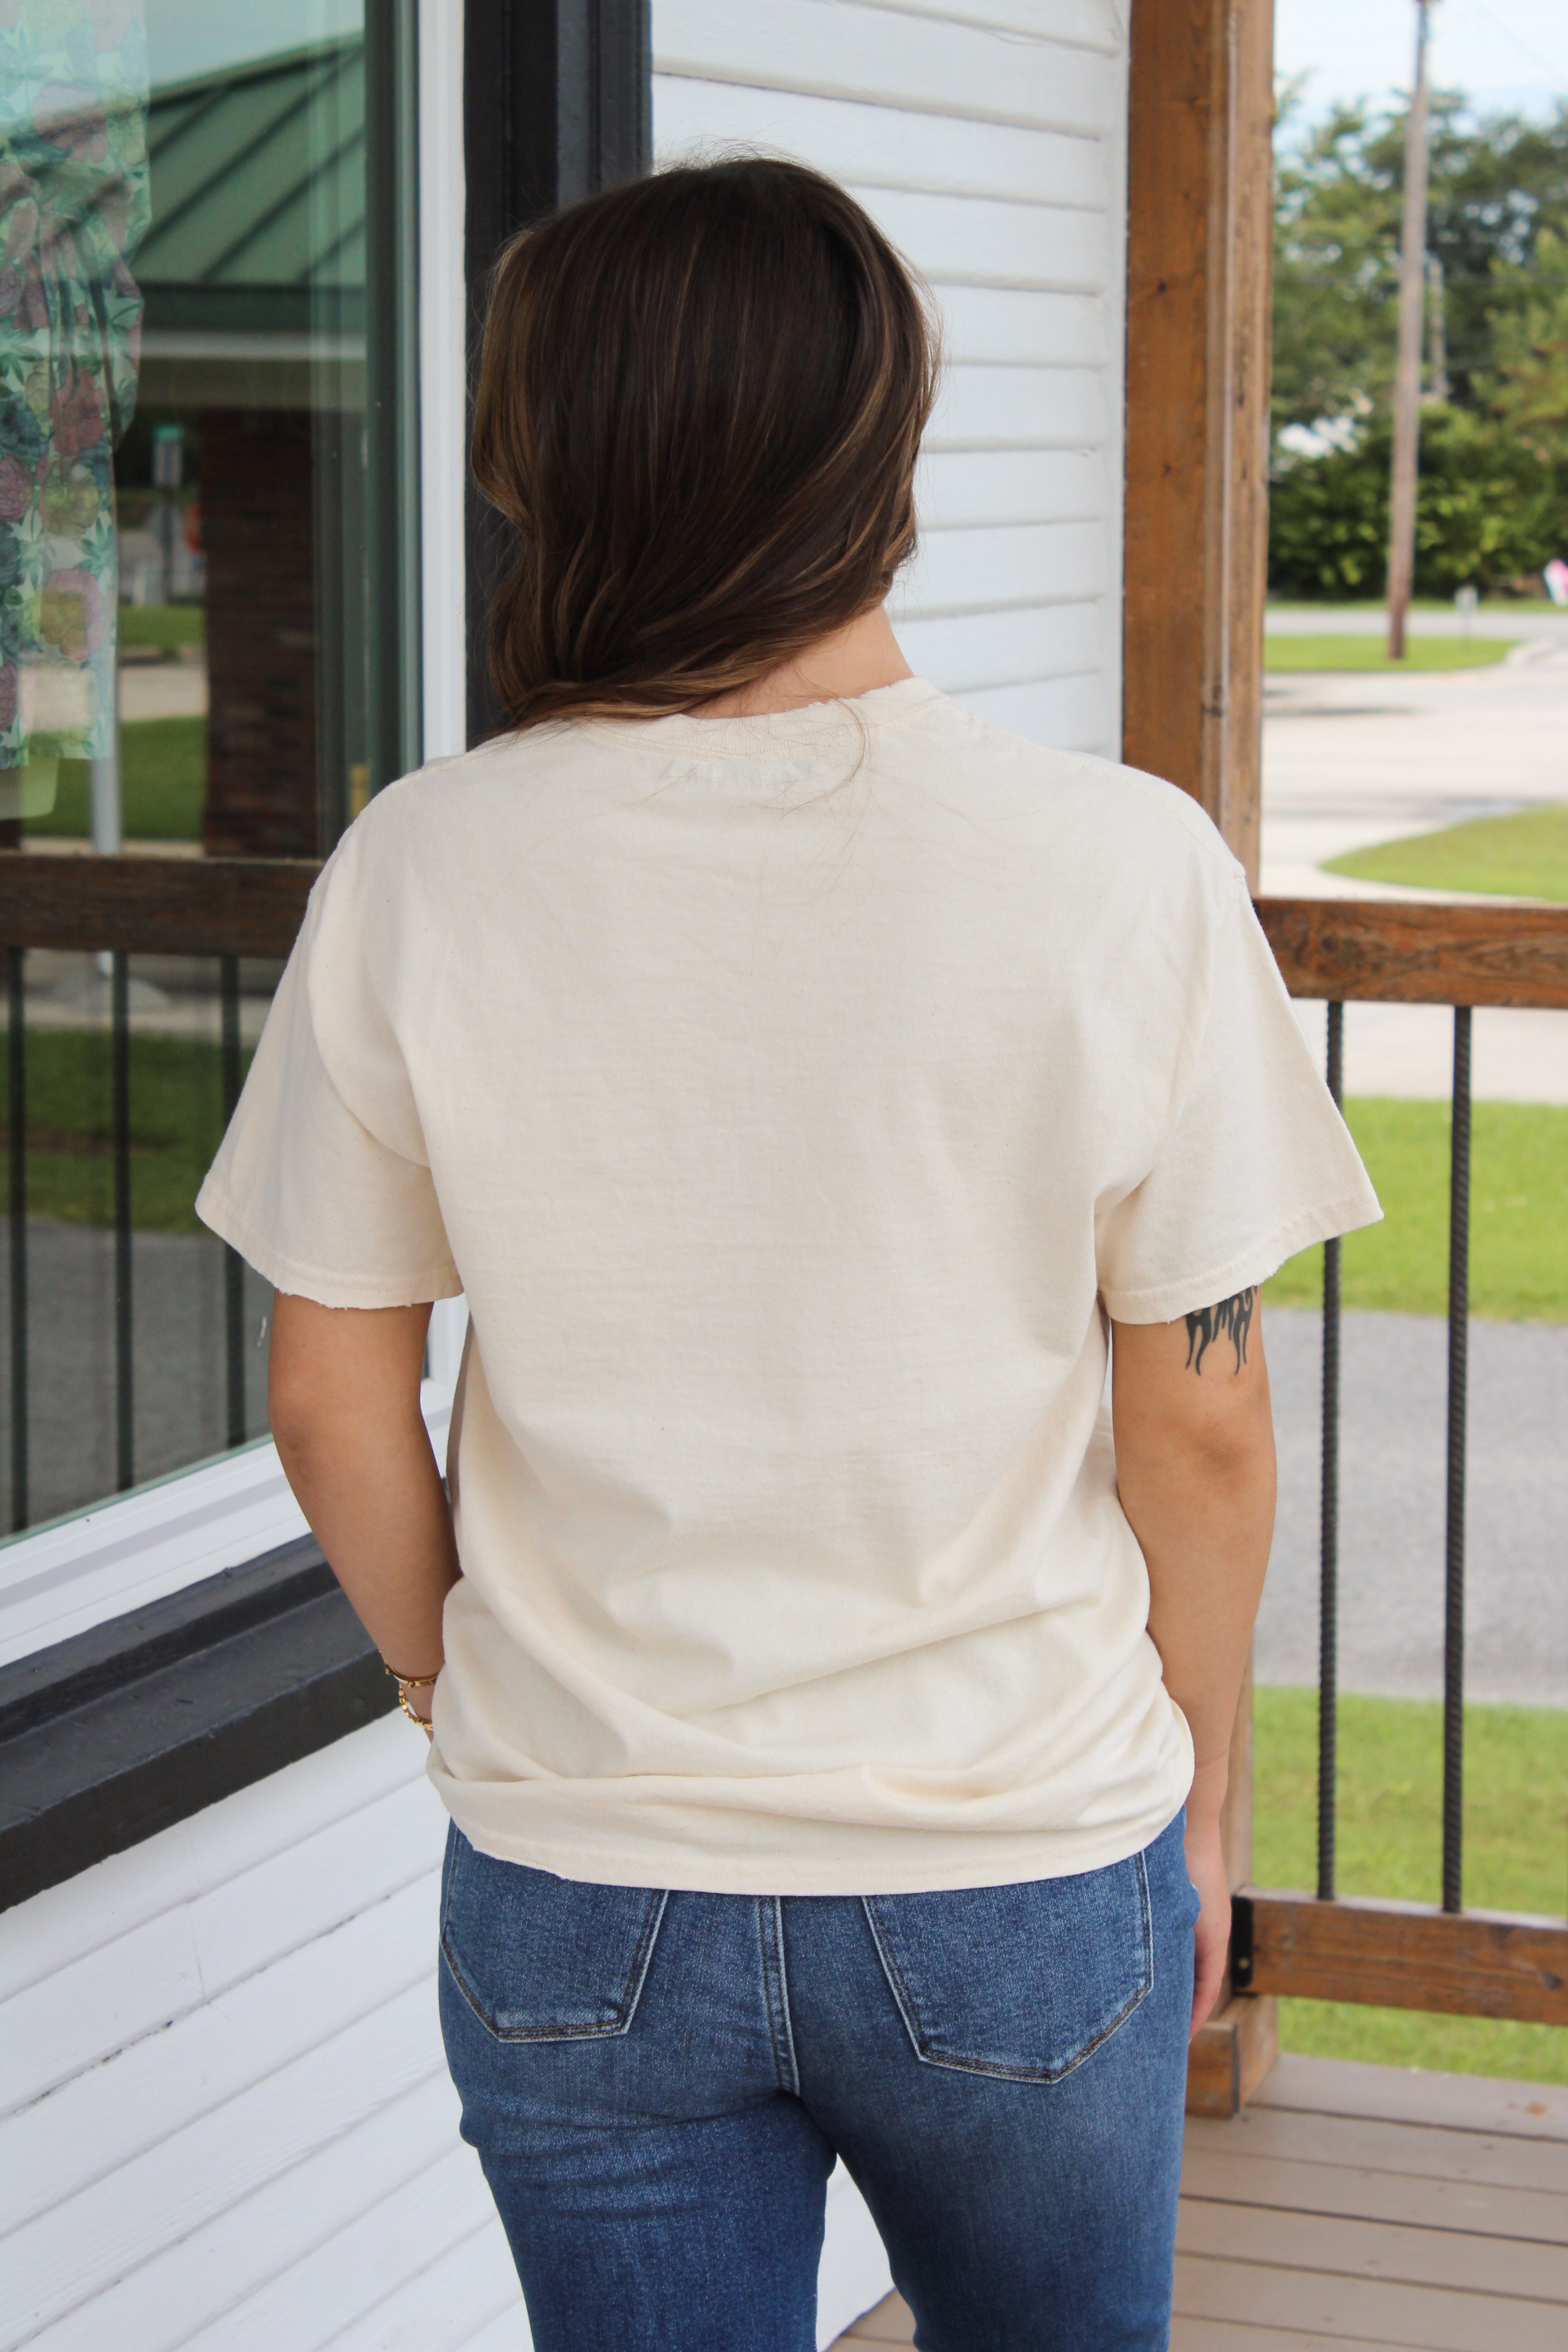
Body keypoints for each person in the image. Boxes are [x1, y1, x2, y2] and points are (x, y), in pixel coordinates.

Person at [198, 159, 1380, 2352]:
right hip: (1019, 1857)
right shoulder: (1118, 864)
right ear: (884, 447)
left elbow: (326, 1388)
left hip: (584, 1882)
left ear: (543, 463)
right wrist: (1201, 1804)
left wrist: (458, 1687)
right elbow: (1203, 1423)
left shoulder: (426, 864)